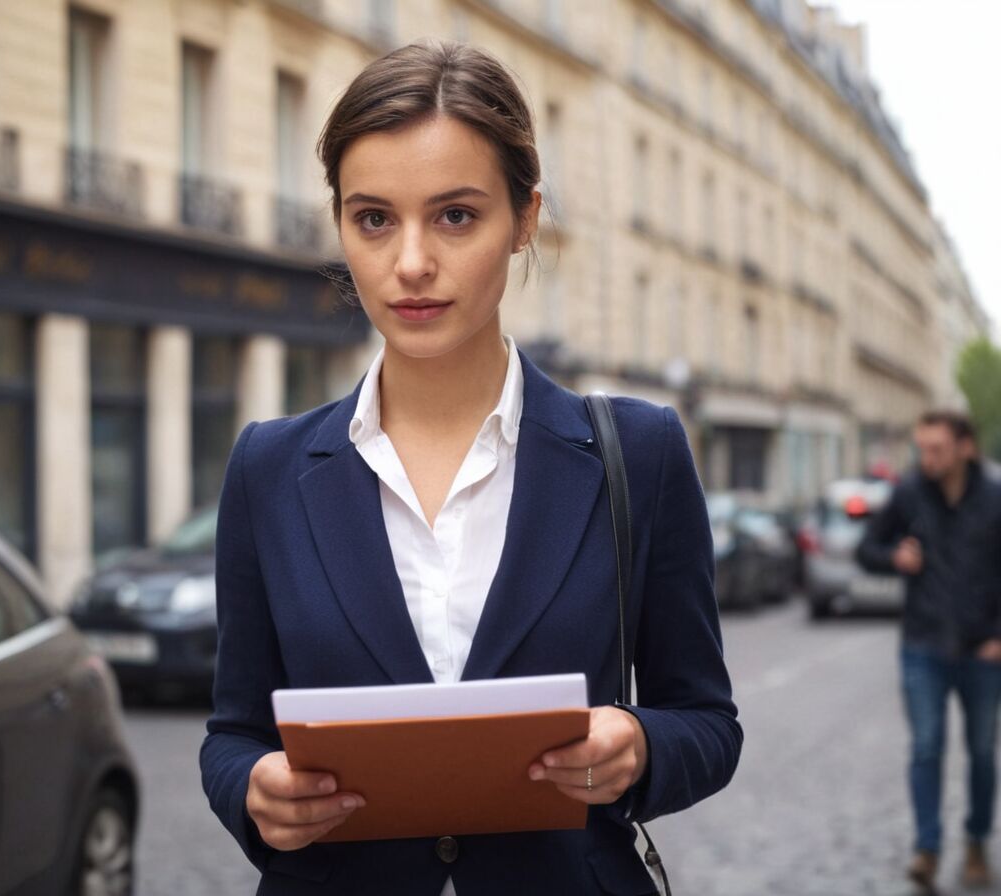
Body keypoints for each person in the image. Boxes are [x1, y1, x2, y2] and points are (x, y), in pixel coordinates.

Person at [200, 40, 742, 896]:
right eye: (374, 218)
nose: (410, 262)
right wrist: (253, 793)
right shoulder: (267, 468)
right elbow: (232, 734)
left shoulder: (639, 454)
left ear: (525, 218)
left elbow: (707, 723)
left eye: (455, 215)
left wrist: (639, 748)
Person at [858, 410, 1001, 891]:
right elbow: (868, 547)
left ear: (965, 447)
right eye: (922, 448)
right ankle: (927, 848)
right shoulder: (910, 490)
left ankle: (977, 840)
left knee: (982, 751)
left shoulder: (995, 496)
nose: (927, 458)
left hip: (983, 648)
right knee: (925, 747)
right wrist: (893, 556)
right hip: (923, 645)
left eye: (937, 449)